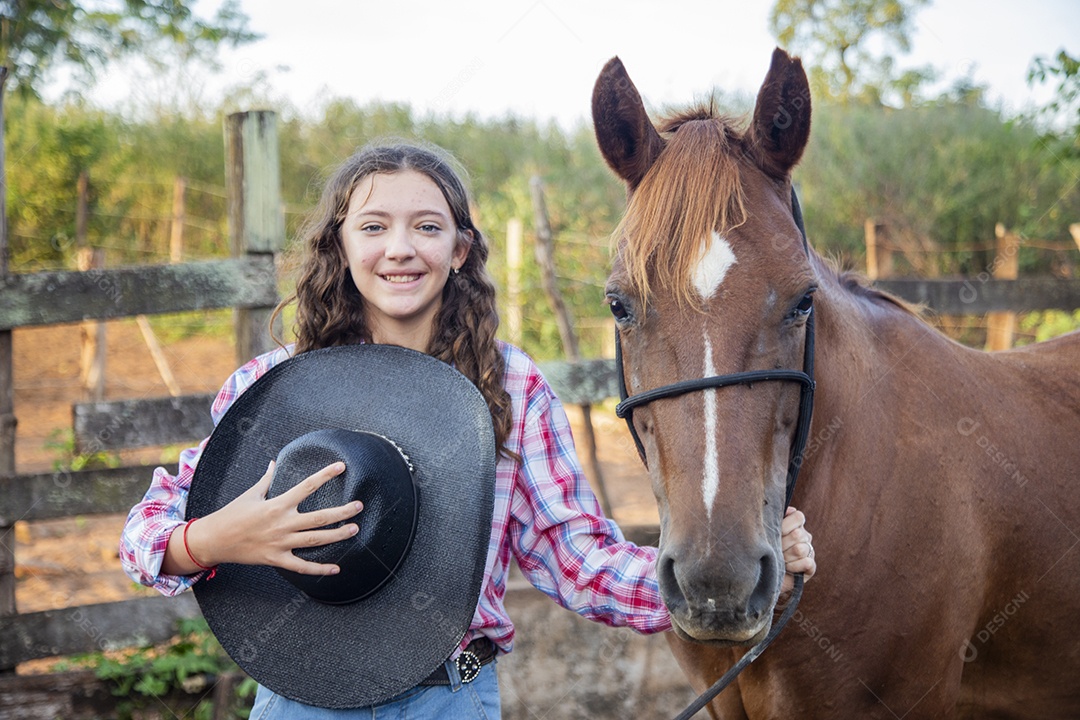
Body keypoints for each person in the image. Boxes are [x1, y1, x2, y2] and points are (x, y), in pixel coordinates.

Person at [120, 141, 816, 718]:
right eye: (373, 226)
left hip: (450, 698)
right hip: (300, 701)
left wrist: (713, 581)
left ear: (460, 249)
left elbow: (574, 557)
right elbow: (146, 529)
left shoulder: (511, 388)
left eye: (427, 226)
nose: (400, 248)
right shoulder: (275, 386)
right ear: (340, 243)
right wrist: (213, 538)